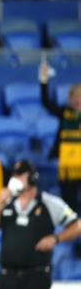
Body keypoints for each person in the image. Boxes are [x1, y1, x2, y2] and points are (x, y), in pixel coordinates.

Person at [0, 160, 81, 289]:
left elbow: (77, 225)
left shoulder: (49, 202)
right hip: (7, 277)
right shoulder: (7, 204)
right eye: (14, 175)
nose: (15, 178)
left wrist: (56, 238)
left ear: (33, 178)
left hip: (36, 276)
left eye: (20, 175)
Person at [39, 61, 81, 213]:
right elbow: (46, 102)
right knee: (69, 205)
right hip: (67, 167)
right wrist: (44, 81)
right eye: (75, 96)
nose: (78, 100)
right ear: (70, 98)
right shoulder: (64, 113)